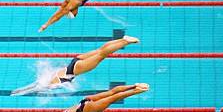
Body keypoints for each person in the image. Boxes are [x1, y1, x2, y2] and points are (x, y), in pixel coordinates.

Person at [11, 36, 139, 96]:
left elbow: (33, 88)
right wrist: (18, 91)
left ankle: (125, 41)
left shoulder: (49, 84)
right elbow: (32, 86)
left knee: (101, 55)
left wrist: (19, 93)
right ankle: (122, 39)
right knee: (100, 51)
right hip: (73, 62)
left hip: (75, 69)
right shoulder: (46, 79)